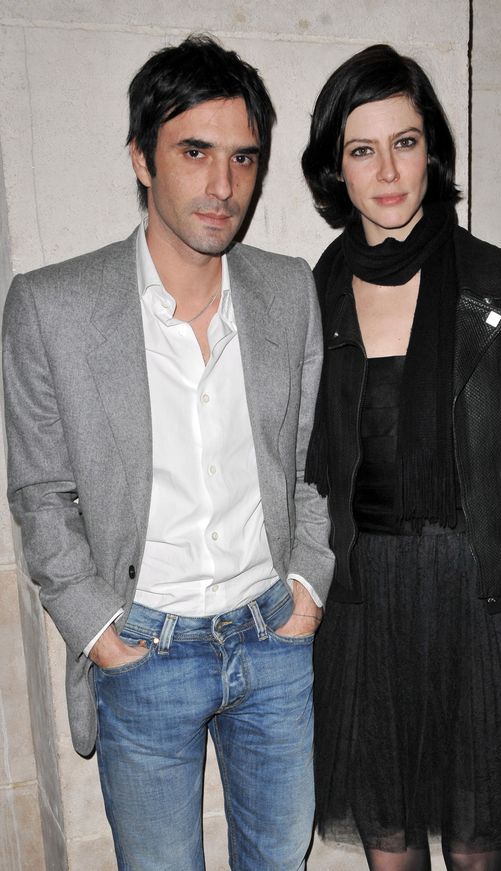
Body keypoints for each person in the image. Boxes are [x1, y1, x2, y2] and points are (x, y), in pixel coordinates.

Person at [3, 34, 334, 871]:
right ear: (142, 159)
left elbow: (311, 460)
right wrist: (98, 629)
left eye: (243, 159)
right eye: (195, 152)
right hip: (143, 646)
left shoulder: (289, 287)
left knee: (280, 859)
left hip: (273, 633)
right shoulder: (52, 307)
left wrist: (306, 585)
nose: (224, 186)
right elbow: (40, 491)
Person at [301, 43, 501, 871]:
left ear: (432, 151)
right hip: (362, 599)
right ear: (335, 170)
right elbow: (302, 470)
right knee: (388, 836)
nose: (387, 170)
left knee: (477, 838)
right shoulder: (313, 292)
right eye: (361, 148)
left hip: (476, 594)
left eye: (405, 141)